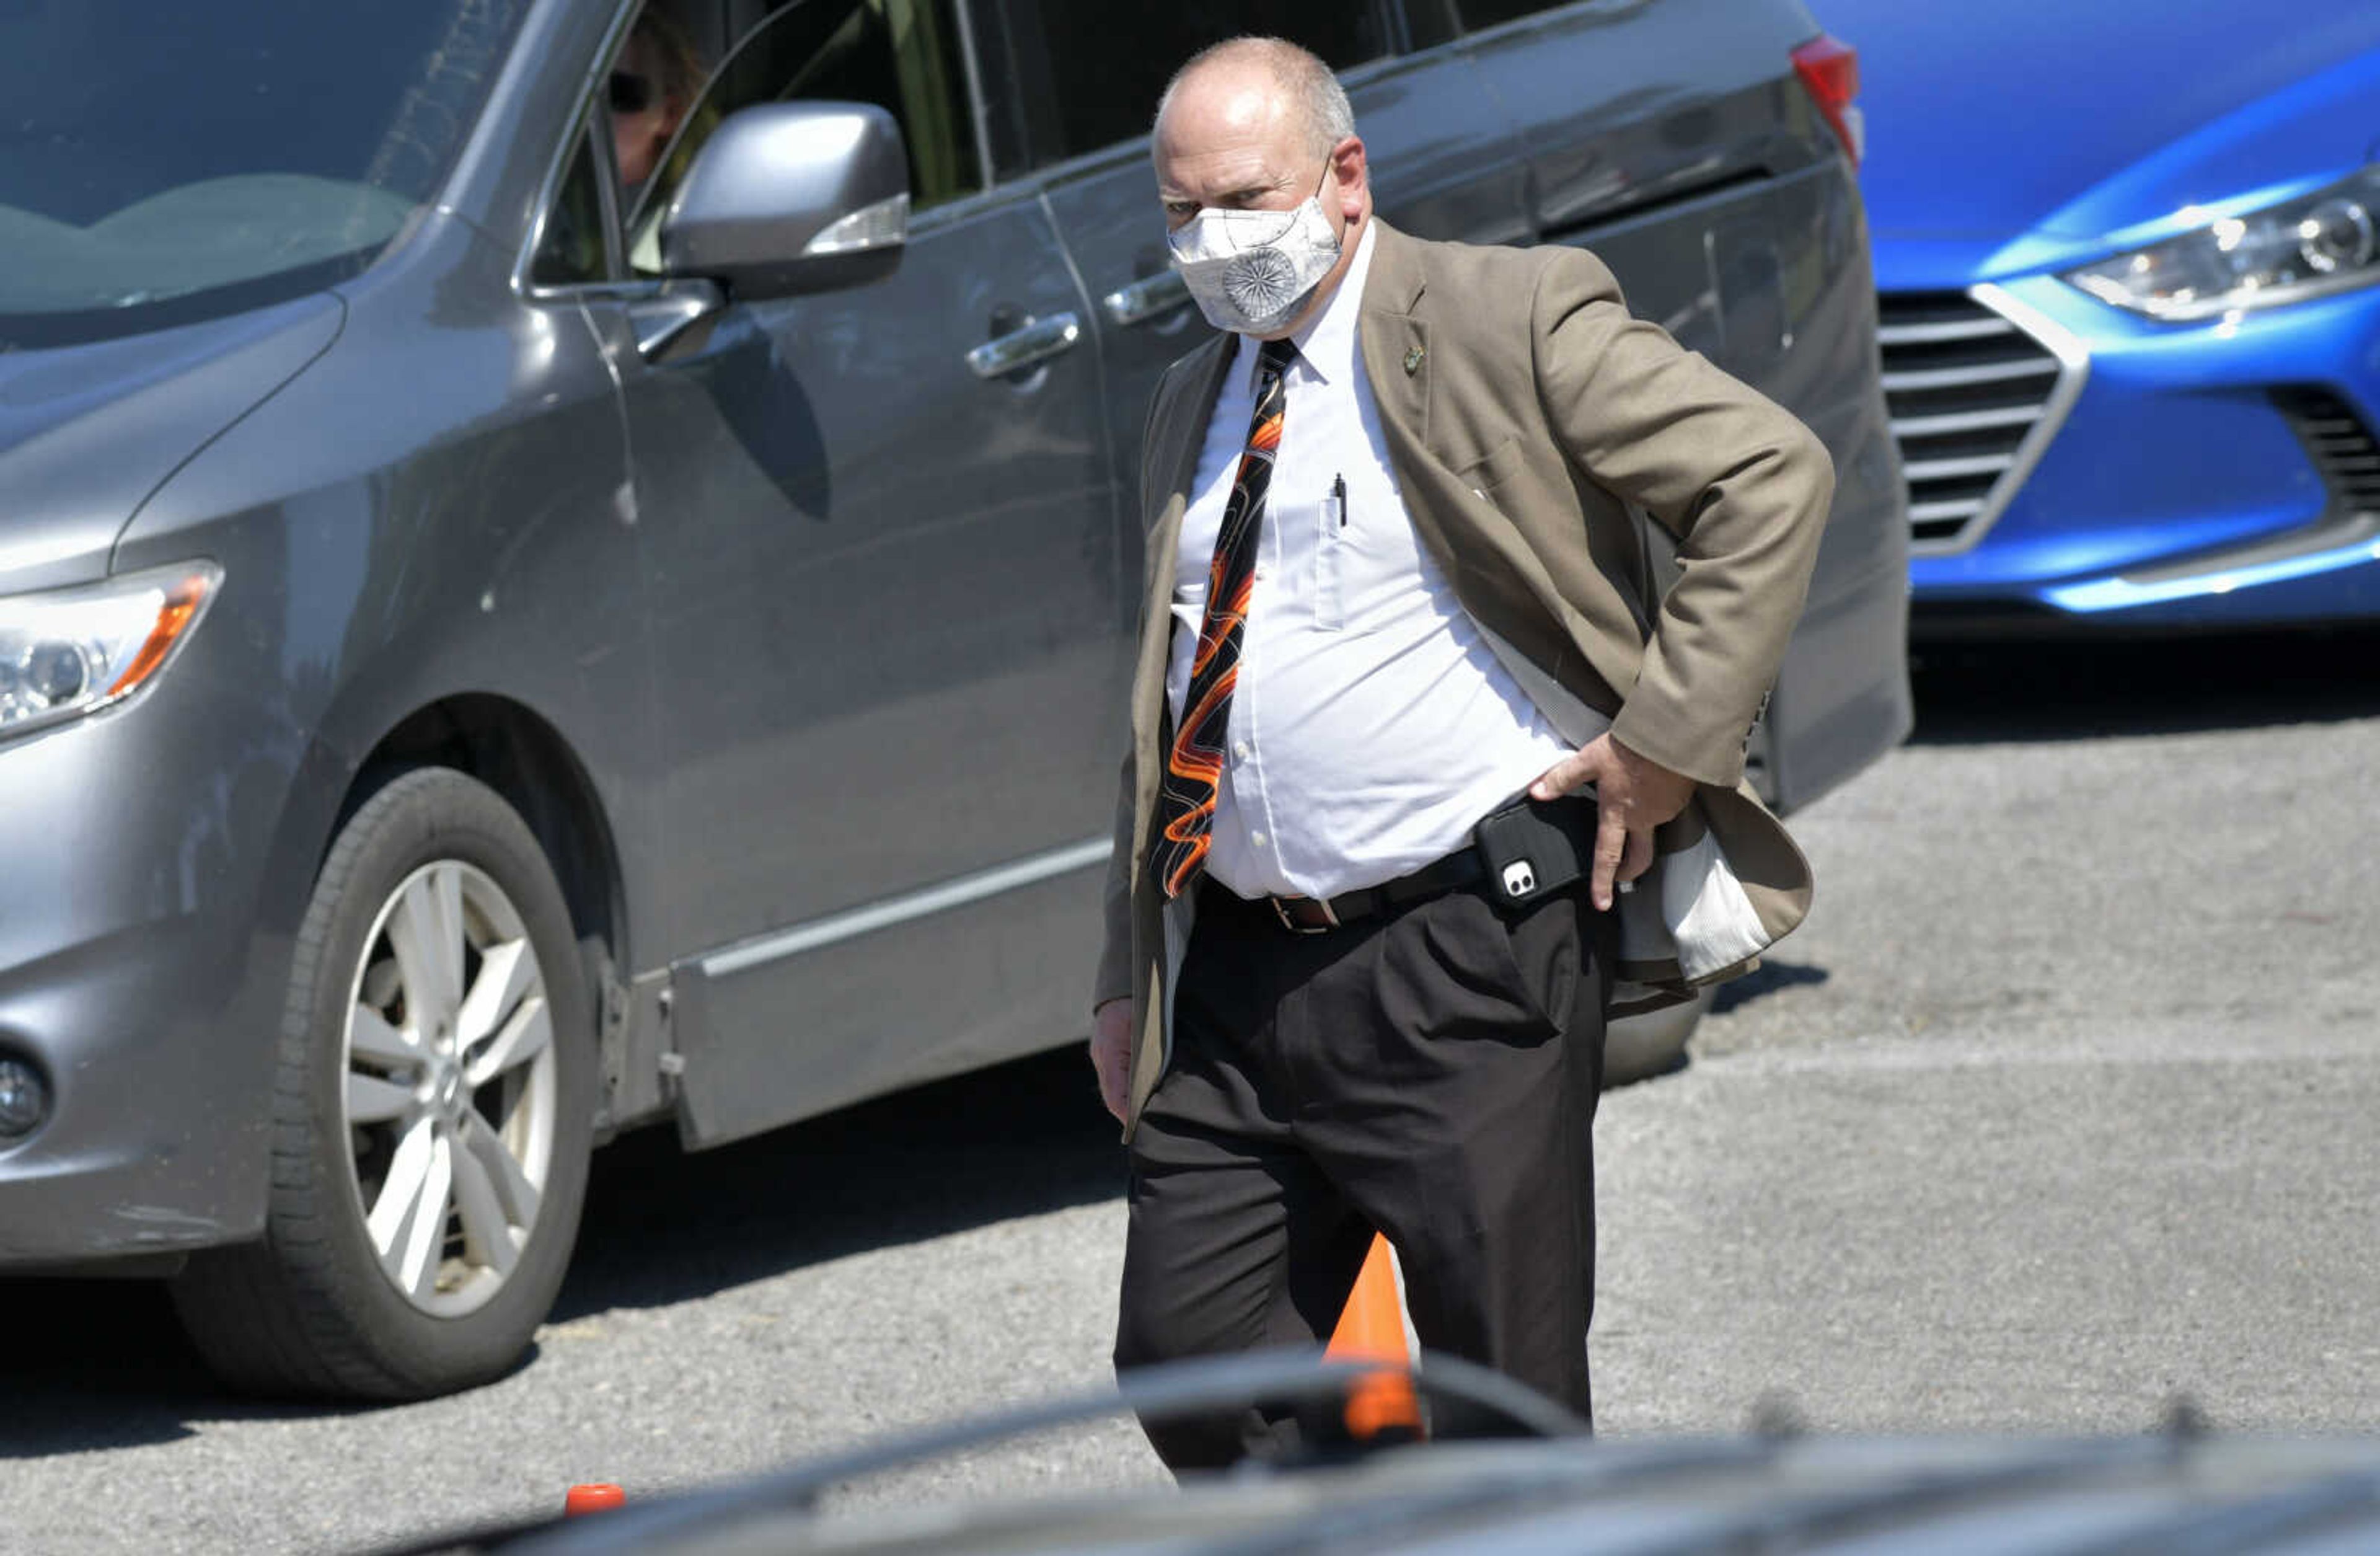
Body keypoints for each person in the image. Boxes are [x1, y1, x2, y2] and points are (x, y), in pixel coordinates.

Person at [1089, 37, 1833, 1470]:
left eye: (1245, 198)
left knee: (1506, 1397)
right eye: (1181, 214)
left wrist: (1663, 744)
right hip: (1243, 971)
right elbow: (1167, 699)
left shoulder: (1510, 318)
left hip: (1461, 959)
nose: (1213, 242)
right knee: (1192, 1356)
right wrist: (1127, 972)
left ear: (1346, 180)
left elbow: (1765, 476)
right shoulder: (1196, 400)